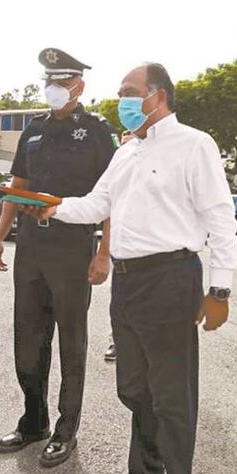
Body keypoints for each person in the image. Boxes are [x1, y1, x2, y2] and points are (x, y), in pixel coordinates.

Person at [31, 63, 237, 474]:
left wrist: (220, 288)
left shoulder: (194, 144)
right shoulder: (126, 153)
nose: (122, 100)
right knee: (135, 390)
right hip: (126, 283)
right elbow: (95, 205)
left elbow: (221, 219)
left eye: (130, 92)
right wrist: (53, 204)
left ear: (158, 96)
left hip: (170, 277)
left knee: (171, 397)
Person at [0, 48, 117, 467]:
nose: (54, 89)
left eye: (62, 83)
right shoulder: (34, 130)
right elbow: (18, 183)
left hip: (72, 247)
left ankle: (66, 429)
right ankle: (33, 420)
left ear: (79, 86)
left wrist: (104, 252)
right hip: (31, 246)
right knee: (27, 335)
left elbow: (112, 195)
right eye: (50, 81)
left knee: (71, 341)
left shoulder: (97, 131)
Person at [104, 129, 138, 363]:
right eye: (122, 145)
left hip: (152, 256)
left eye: (129, 144)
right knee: (120, 305)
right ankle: (118, 341)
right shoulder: (117, 172)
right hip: (122, 255)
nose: (124, 149)